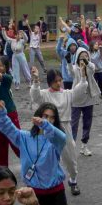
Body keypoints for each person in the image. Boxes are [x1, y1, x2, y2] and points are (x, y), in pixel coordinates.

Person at [31, 68, 80, 196]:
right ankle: (49, 183)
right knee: (47, 156)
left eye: (60, 80)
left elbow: (80, 90)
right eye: (55, 81)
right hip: (48, 128)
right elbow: (35, 96)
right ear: (49, 82)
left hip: (65, 127)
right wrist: (36, 79)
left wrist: (84, 75)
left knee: (70, 156)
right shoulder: (44, 94)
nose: (58, 83)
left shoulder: (67, 93)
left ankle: (73, 180)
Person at [69, 46, 100, 156]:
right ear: (77, 58)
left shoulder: (90, 67)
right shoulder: (75, 68)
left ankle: (84, 145)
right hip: (76, 99)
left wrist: (87, 62)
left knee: (87, 123)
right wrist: (68, 61)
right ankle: (72, 146)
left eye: (86, 56)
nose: (84, 58)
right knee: (73, 124)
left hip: (88, 99)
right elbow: (70, 70)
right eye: (81, 57)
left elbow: (93, 68)